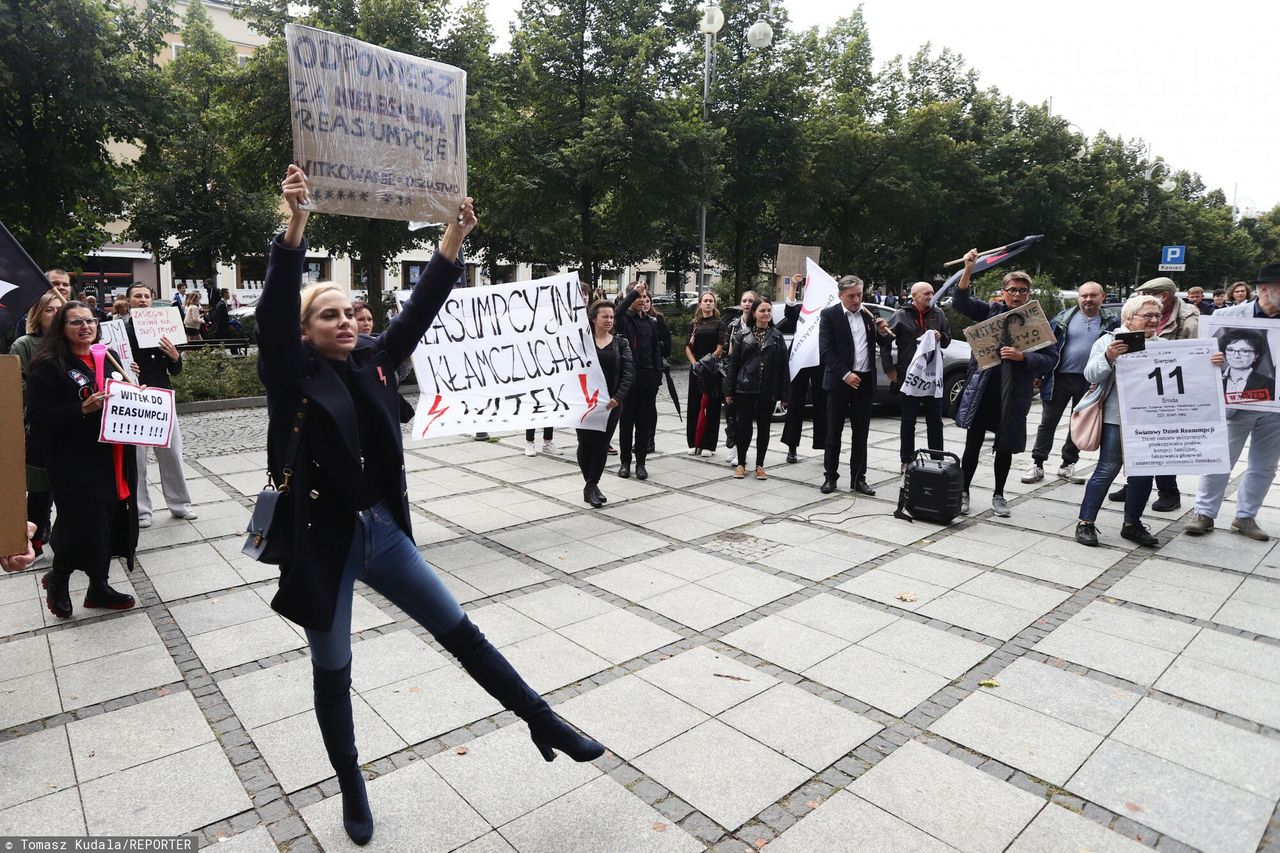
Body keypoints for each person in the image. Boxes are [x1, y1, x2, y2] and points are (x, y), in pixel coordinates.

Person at [259, 166, 604, 846]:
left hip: (382, 532)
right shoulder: (289, 373)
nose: (345, 321)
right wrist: (296, 224)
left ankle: (542, 719)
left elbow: (424, 306)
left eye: (348, 311)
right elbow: (274, 305)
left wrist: (453, 233)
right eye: (327, 314)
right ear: (304, 331)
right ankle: (352, 782)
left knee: (462, 630)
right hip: (321, 543)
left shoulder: (377, 360)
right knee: (333, 671)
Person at [1074, 295, 1224, 547]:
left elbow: (1187, 376)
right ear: (1129, 318)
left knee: (1143, 474)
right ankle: (1085, 522)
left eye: (1157, 315)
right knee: (1106, 469)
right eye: (1148, 316)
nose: (1154, 320)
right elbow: (1090, 374)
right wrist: (1109, 357)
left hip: (1150, 422)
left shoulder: (1162, 344)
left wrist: (1211, 362)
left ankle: (1132, 525)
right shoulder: (1109, 341)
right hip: (1116, 419)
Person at [26, 301, 139, 618]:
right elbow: (37, 417)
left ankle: (98, 587)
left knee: (107, 520)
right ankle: (58, 578)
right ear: (62, 328)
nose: (85, 326)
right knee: (82, 523)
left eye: (90, 321)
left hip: (112, 456)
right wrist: (82, 409)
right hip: (73, 461)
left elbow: (124, 395)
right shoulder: (48, 366)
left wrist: (138, 395)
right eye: (76, 322)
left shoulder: (106, 357)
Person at [952, 255, 1059, 516]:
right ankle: (963, 491)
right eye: (1013, 290)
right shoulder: (990, 312)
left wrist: (1024, 357)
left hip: (1013, 395)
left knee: (1005, 447)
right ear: (1004, 292)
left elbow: (1051, 360)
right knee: (973, 444)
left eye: (1023, 290)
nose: (1018, 294)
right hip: (983, 391)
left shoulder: (1036, 322)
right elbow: (960, 301)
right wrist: (968, 269)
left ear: (1028, 294)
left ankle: (999, 494)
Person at [1186, 264, 1280, 540]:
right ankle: (1204, 513)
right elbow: (1201, 357)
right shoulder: (1226, 316)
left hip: (1274, 408)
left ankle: (1245, 516)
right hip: (1235, 403)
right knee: (1220, 459)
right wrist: (1211, 359)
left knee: (1264, 465)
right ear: (1265, 290)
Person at [1108, 277, 1197, 512]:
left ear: (1163, 296)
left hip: (1167, 390)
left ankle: (1169, 492)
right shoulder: (1145, 311)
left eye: (1146, 293)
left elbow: (1195, 352)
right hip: (1139, 388)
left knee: (1162, 444)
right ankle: (1135, 484)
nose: (1153, 319)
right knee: (1138, 443)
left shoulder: (1188, 317)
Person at [1024, 282, 1118, 484]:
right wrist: (1039, 374)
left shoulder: (1112, 322)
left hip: (1091, 380)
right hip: (1059, 377)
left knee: (1079, 424)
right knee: (1048, 422)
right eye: (1084, 295)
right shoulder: (1062, 319)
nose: (1088, 299)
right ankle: (1037, 464)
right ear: (1078, 297)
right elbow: (1045, 346)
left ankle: (1068, 465)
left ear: (1103, 296)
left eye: (1093, 295)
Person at [124, 283, 198, 528]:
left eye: (146, 296)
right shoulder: (121, 331)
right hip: (134, 398)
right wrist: (126, 369)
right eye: (138, 296)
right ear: (128, 301)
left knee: (172, 453)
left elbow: (175, 370)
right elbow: (112, 369)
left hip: (162, 395)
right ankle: (142, 510)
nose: (143, 300)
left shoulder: (164, 328)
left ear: (152, 300)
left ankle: (180, 505)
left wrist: (175, 357)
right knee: (137, 457)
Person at [818, 275, 893, 495]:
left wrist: (882, 331)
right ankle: (830, 477)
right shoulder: (829, 315)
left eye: (859, 295)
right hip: (840, 381)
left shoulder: (869, 314)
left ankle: (859, 478)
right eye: (851, 296)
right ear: (840, 295)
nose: (856, 300)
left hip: (865, 380)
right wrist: (845, 374)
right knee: (834, 432)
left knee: (861, 433)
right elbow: (826, 351)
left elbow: (885, 342)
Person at [11, 290, 63, 560]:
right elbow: (14, 388)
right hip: (38, 427)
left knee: (66, 486)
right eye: (49, 310)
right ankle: (37, 538)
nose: (55, 314)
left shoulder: (69, 342)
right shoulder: (25, 344)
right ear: (37, 314)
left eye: (58, 309)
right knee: (40, 488)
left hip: (67, 425)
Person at [889, 281, 952, 471]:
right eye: (926, 293)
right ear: (914, 296)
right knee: (908, 420)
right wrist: (889, 368)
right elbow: (885, 339)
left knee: (935, 420)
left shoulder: (938, 313)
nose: (930, 295)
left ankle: (937, 458)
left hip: (932, 376)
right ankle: (906, 459)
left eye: (932, 292)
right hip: (910, 374)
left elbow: (948, 338)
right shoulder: (901, 315)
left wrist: (941, 335)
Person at [725, 297, 789, 479]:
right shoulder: (742, 335)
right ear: (754, 313)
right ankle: (741, 464)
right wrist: (728, 390)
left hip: (767, 390)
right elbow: (733, 365)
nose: (766, 314)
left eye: (769, 310)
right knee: (743, 427)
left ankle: (760, 465)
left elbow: (784, 367)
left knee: (764, 428)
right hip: (744, 388)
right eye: (762, 311)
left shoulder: (777, 336)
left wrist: (785, 394)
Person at [577, 301, 633, 506]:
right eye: (605, 317)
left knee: (601, 445)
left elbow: (628, 373)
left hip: (611, 404)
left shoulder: (621, 343)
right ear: (593, 318)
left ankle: (592, 484)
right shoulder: (582, 342)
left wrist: (617, 398)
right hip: (584, 404)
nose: (609, 320)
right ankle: (590, 485)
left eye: (611, 317)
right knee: (585, 444)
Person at [614, 282, 664, 480]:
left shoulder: (651, 321)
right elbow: (617, 312)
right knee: (626, 424)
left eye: (644, 297)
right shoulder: (624, 320)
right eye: (638, 297)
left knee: (644, 424)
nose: (642, 300)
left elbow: (656, 350)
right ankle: (625, 462)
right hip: (628, 381)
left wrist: (657, 374)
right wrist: (633, 292)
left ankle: (641, 463)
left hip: (648, 379)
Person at [779, 275, 826, 464]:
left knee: (822, 405)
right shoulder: (802, 310)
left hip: (821, 361)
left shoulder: (829, 311)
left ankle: (824, 447)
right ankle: (792, 447)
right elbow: (789, 313)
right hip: (799, 358)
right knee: (795, 404)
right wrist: (793, 286)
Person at [684, 292, 724, 456]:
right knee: (694, 405)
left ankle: (708, 444)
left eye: (711, 301)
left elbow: (721, 346)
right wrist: (695, 364)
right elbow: (687, 347)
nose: (708, 303)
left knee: (712, 407)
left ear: (714, 304)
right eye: (705, 301)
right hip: (696, 369)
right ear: (700, 304)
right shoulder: (694, 324)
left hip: (712, 369)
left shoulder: (719, 324)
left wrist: (708, 362)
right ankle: (694, 442)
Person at [722, 290, 757, 462]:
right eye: (744, 300)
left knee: (744, 418)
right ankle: (733, 445)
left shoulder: (757, 326)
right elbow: (725, 352)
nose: (747, 304)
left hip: (750, 378)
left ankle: (741, 452)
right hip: (733, 374)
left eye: (751, 301)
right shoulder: (733, 325)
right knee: (731, 415)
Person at [1217, 328, 1274, 404]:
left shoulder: (1270, 385)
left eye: (1244, 351)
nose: (1236, 356)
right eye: (1230, 350)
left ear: (1256, 355)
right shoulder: (1213, 377)